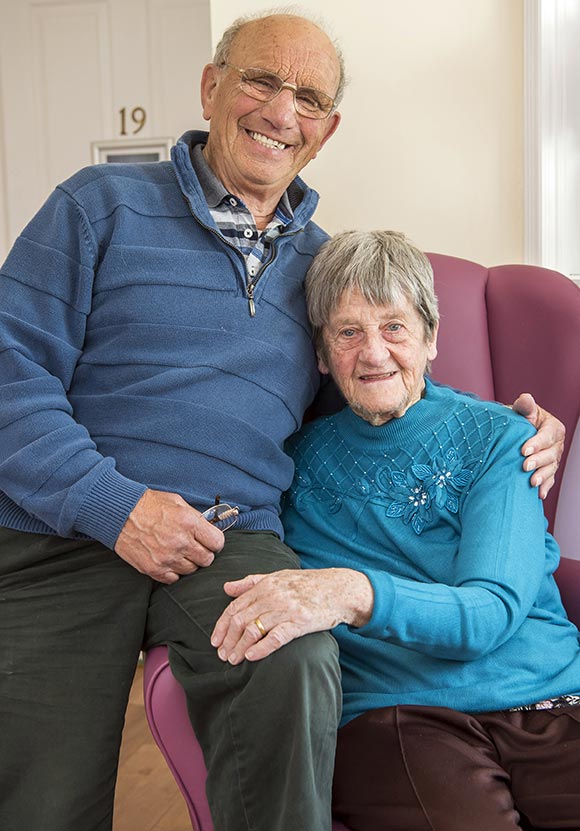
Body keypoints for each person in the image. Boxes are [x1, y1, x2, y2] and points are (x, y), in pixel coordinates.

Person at [0, 9, 564, 831]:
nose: (280, 111)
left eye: (307, 97)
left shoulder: (319, 266)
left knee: (295, 656)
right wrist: (114, 506)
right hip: (64, 529)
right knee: (43, 797)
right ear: (212, 85)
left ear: (325, 130)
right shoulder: (100, 207)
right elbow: (10, 378)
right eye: (261, 81)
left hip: (228, 535)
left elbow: (370, 385)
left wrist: (507, 424)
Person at [211, 230, 580, 831]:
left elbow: (490, 613)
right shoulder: (285, 461)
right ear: (322, 354)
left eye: (395, 327)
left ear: (431, 338)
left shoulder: (502, 437)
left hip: (550, 701)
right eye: (349, 331)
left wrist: (352, 592)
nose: (374, 353)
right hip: (396, 719)